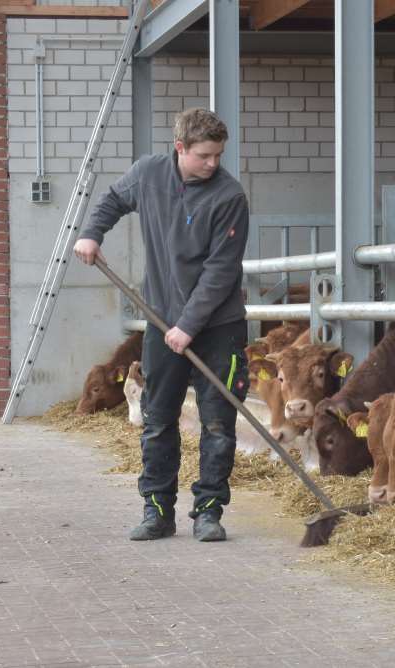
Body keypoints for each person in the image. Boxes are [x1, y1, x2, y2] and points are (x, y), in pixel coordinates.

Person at [74, 108, 250, 542]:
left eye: (218, 155)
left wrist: (188, 325)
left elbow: (220, 271)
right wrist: (92, 234)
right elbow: (113, 200)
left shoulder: (228, 197)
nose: (213, 164)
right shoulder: (149, 175)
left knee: (217, 424)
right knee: (157, 419)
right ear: (180, 149)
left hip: (219, 326)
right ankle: (157, 510)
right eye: (205, 155)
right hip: (161, 319)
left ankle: (209, 512)